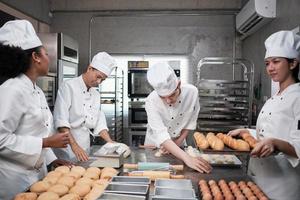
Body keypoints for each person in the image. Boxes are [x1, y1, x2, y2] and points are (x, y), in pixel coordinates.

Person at [0, 20, 71, 200]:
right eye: (46, 53)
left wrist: (52, 159)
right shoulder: (11, 90)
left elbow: (37, 131)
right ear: (36, 57)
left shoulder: (36, 90)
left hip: (38, 175)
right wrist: (46, 143)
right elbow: (1, 139)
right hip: (14, 181)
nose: (50, 58)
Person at [228, 30, 300, 200]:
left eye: (276, 62)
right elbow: (269, 133)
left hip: (282, 184)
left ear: (293, 64)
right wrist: (246, 132)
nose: (270, 68)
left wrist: (275, 143)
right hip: (258, 176)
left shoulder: (298, 97)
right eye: (267, 63)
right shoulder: (275, 97)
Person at [53, 52, 125, 161]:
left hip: (85, 146)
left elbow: (99, 122)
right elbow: (61, 121)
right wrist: (74, 146)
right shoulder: (68, 87)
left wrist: (110, 142)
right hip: (67, 146)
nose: (99, 82)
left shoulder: (96, 94)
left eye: (103, 80)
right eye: (98, 77)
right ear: (90, 68)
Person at [145, 62, 212, 173]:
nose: (168, 101)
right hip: (155, 143)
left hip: (179, 141)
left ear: (179, 84)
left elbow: (190, 121)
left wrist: (178, 141)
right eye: (163, 97)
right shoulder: (151, 101)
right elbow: (161, 135)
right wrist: (187, 158)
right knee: (156, 172)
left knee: (181, 173)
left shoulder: (192, 92)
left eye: (171, 95)